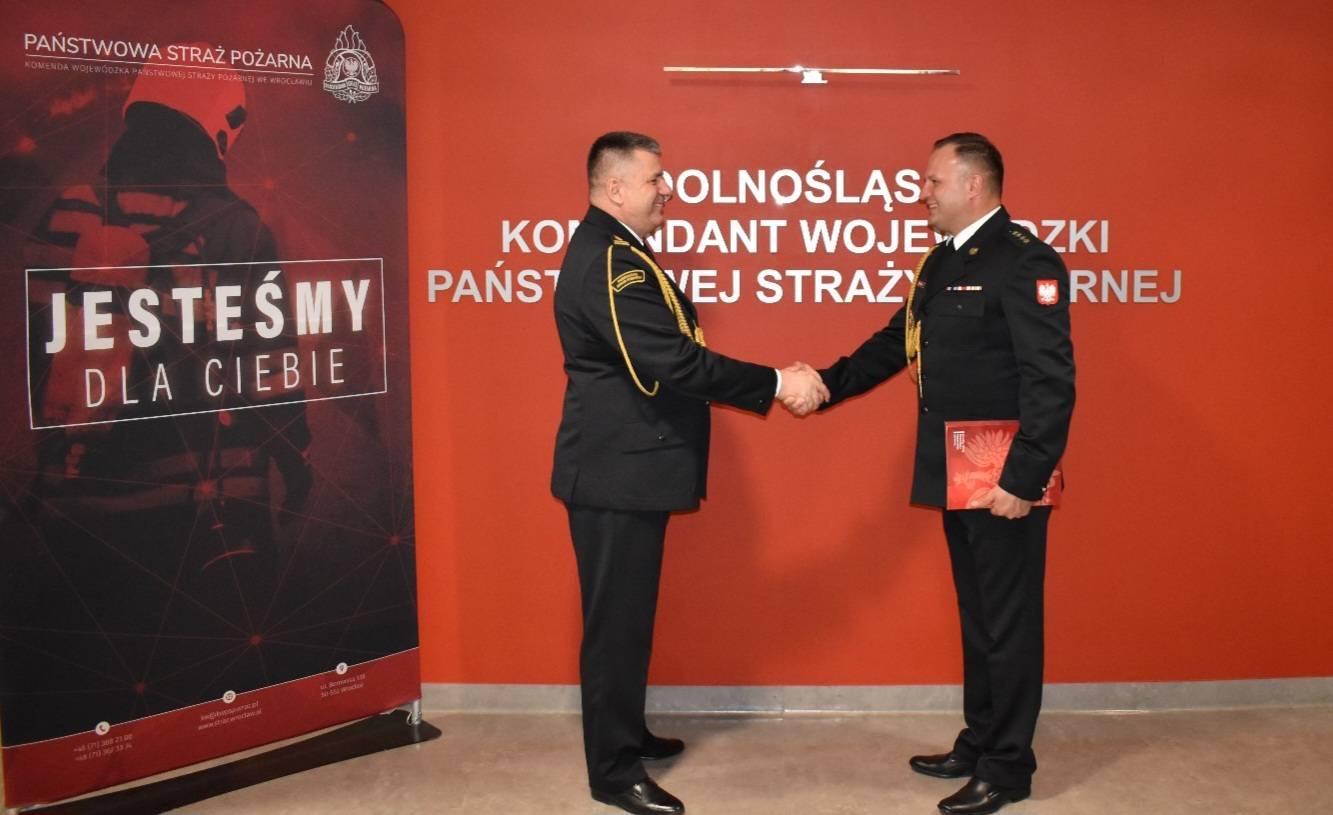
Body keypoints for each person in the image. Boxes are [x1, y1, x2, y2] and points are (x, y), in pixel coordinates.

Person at [552, 131, 825, 815]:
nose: (666, 191)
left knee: (630, 619)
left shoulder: (621, 251)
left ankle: (626, 733)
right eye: (654, 179)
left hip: (629, 472)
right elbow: (671, 361)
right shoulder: (609, 260)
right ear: (615, 187)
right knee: (614, 627)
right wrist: (775, 381)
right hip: (615, 474)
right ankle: (613, 771)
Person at [811, 133, 1074, 815]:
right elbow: (894, 341)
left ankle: (1007, 767)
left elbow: (1050, 380)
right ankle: (980, 740)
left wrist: (1022, 480)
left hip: (1001, 470)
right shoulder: (942, 259)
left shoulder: (1024, 261)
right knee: (978, 614)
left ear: (974, 186)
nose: (922, 193)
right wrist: (826, 384)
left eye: (932, 181)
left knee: (1008, 622)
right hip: (959, 464)